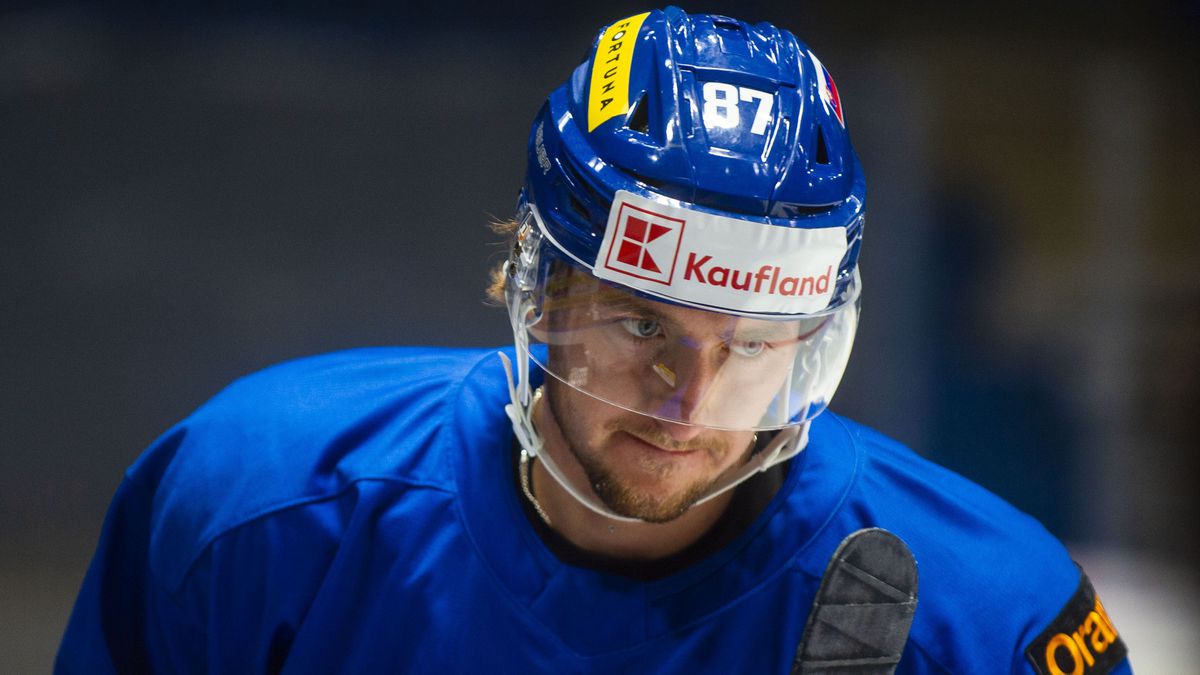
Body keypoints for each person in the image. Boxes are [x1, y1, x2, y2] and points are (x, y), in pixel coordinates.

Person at [58, 7, 1131, 674]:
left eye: (754, 344)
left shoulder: (989, 621)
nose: (689, 404)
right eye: (640, 326)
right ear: (532, 285)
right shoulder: (253, 513)